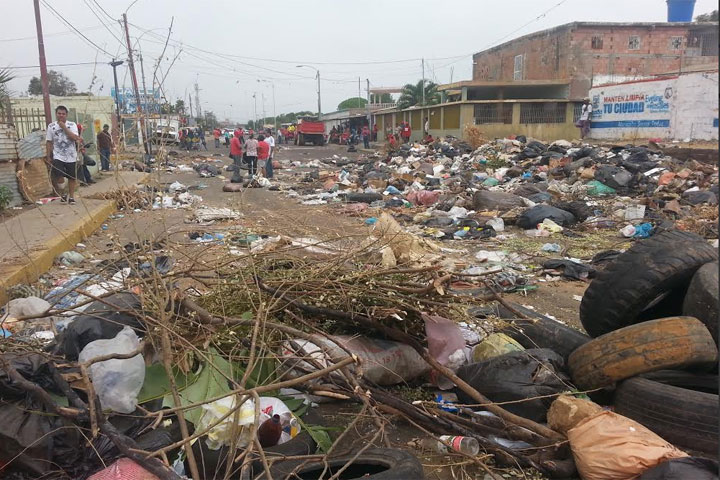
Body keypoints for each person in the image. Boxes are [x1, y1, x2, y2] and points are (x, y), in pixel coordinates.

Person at [46, 105, 82, 204]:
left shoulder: (72, 124)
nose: (61, 115)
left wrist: (64, 127)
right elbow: (49, 142)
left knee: (71, 178)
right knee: (59, 175)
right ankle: (63, 192)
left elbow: (74, 138)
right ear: (56, 114)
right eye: (59, 113)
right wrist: (48, 156)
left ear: (66, 115)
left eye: (63, 114)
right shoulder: (51, 126)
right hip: (58, 155)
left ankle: (71, 197)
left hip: (71, 156)